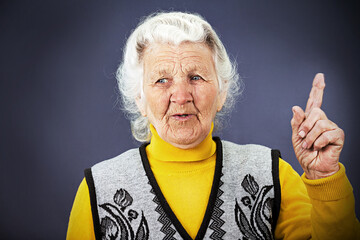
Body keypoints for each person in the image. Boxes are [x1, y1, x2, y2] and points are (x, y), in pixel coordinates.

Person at [66, 12, 360, 240]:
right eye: (161, 80)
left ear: (221, 93)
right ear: (139, 99)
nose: (181, 96)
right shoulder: (98, 190)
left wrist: (325, 178)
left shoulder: (272, 173)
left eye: (196, 77)